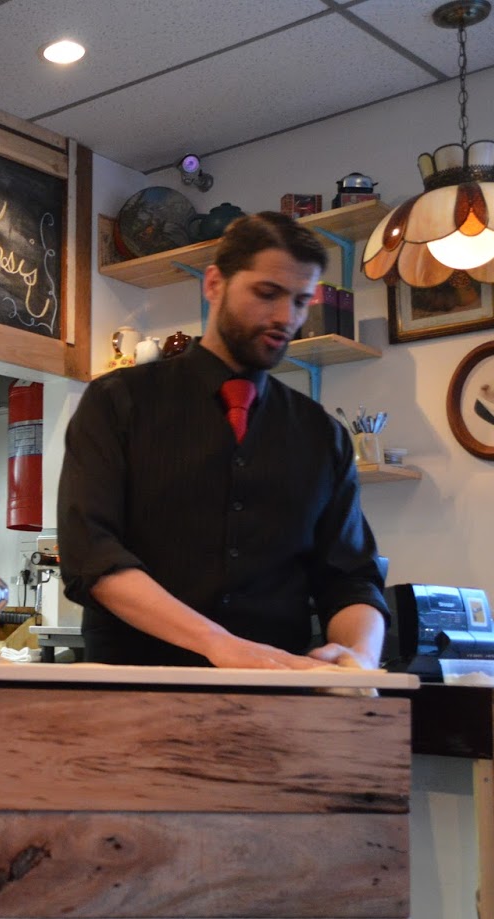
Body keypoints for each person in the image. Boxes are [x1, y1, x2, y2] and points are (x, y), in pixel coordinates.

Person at [58, 210, 386, 670]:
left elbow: (352, 579)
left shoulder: (321, 434)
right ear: (214, 284)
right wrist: (218, 643)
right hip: (136, 694)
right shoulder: (117, 402)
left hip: (279, 698)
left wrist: (360, 656)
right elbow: (91, 556)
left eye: (299, 301)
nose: (284, 318)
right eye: (266, 293)